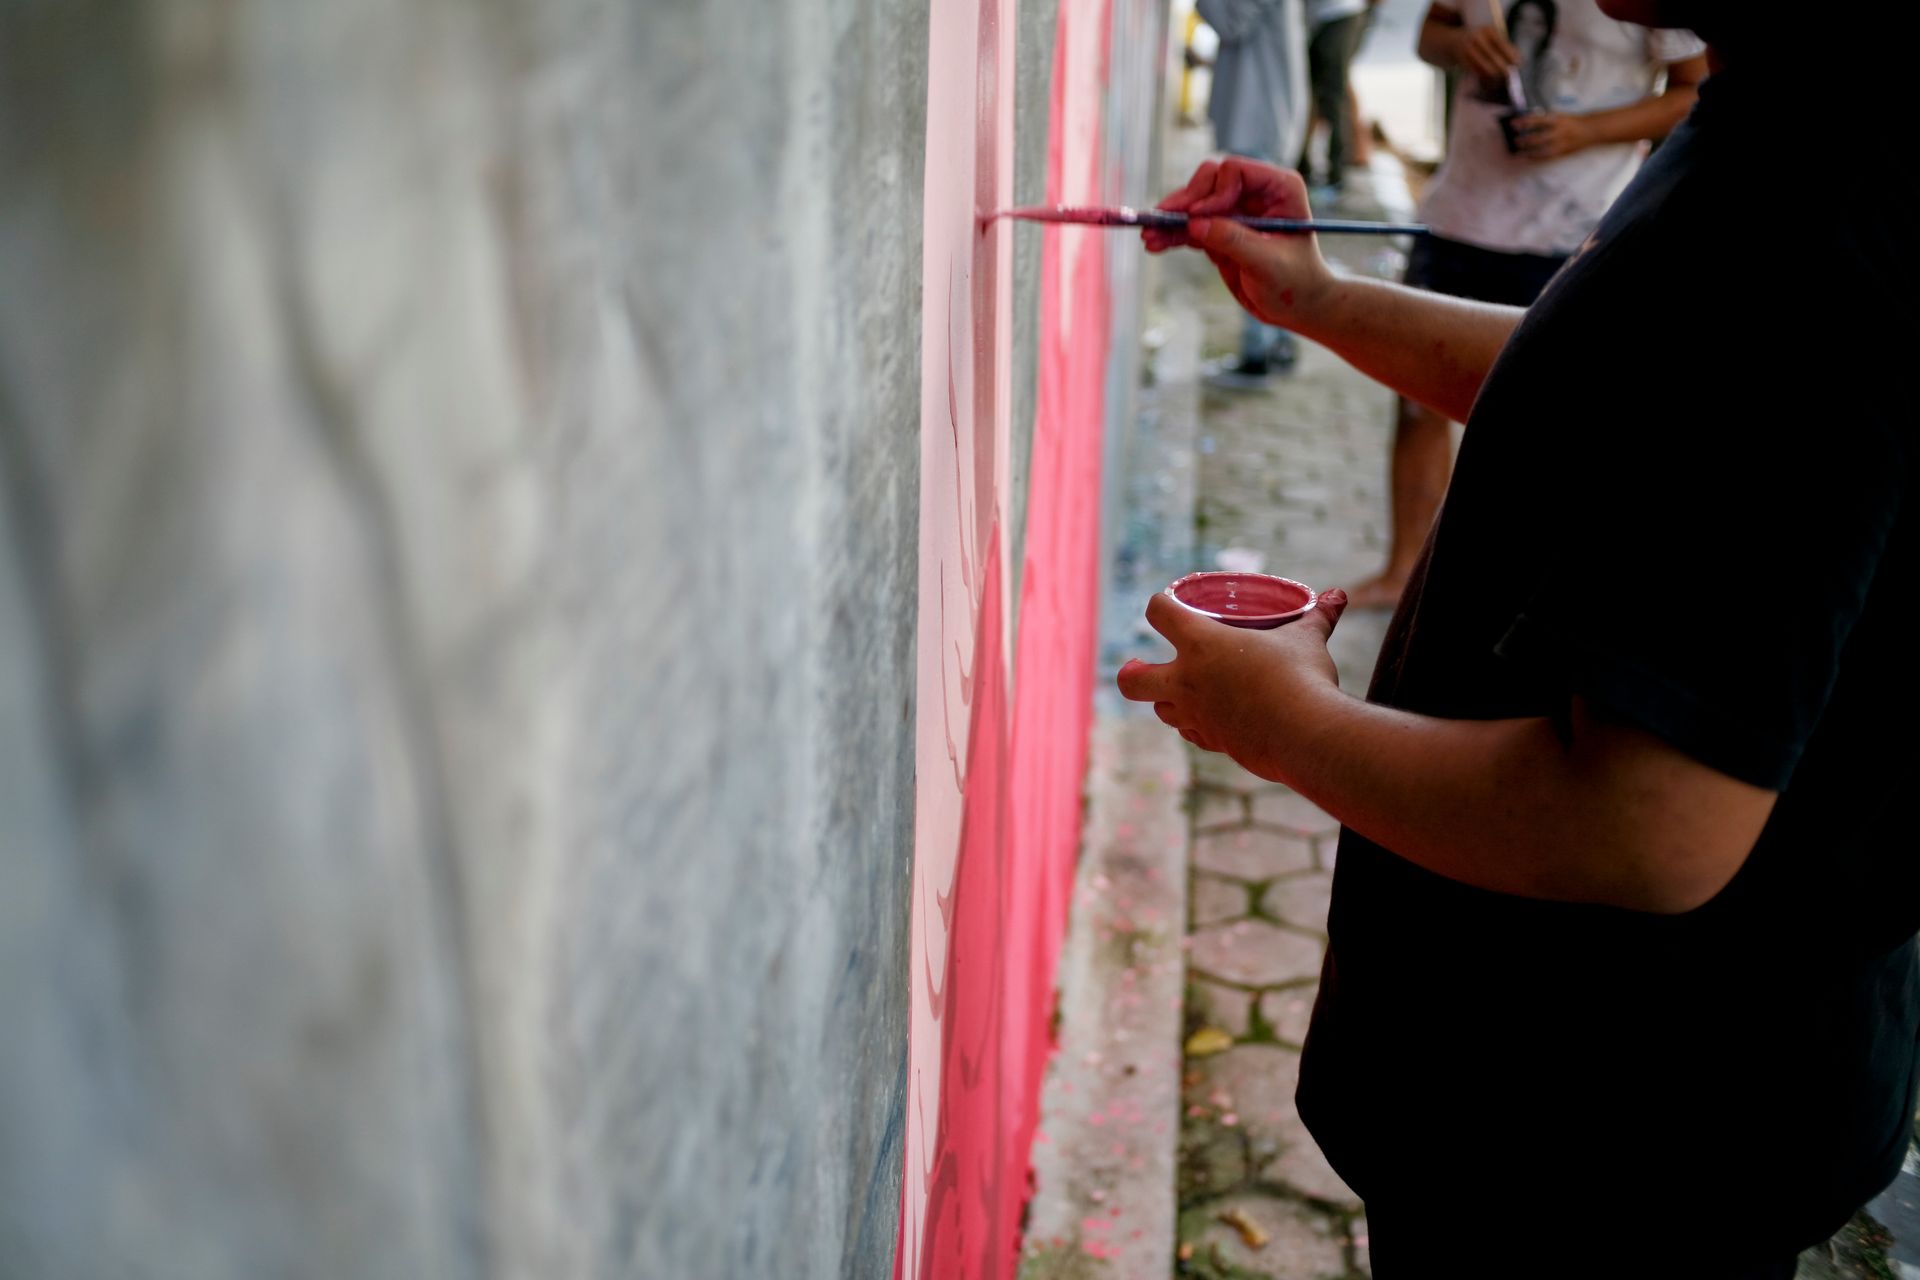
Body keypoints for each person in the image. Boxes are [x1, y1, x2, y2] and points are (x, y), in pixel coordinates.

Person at [1120, 6, 1916, 1274]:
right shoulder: (1795, 105)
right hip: (1614, 1100)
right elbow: (1617, 387)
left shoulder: (1818, 207)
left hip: (1608, 1148)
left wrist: (1280, 723)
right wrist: (1316, 297)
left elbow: (1647, 824)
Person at [1345, 0, 1706, 608]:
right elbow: (1431, 33)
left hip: (1572, 233)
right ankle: (1404, 570)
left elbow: (1695, 92)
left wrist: (1586, 130)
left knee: (1548, 419)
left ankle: (1519, 596)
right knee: (1415, 407)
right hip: (1458, 214)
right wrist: (1460, 47)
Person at [1197, 0, 1309, 386]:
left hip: (1259, 119)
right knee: (1269, 235)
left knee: (1254, 241)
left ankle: (1257, 351)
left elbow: (1227, 19)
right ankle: (1276, 342)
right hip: (1266, 117)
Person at [1298, 0, 1373, 195]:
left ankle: (1336, 171)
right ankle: (1307, 166)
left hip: (1339, 13)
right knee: (1315, 93)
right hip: (1320, 19)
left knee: (1334, 95)